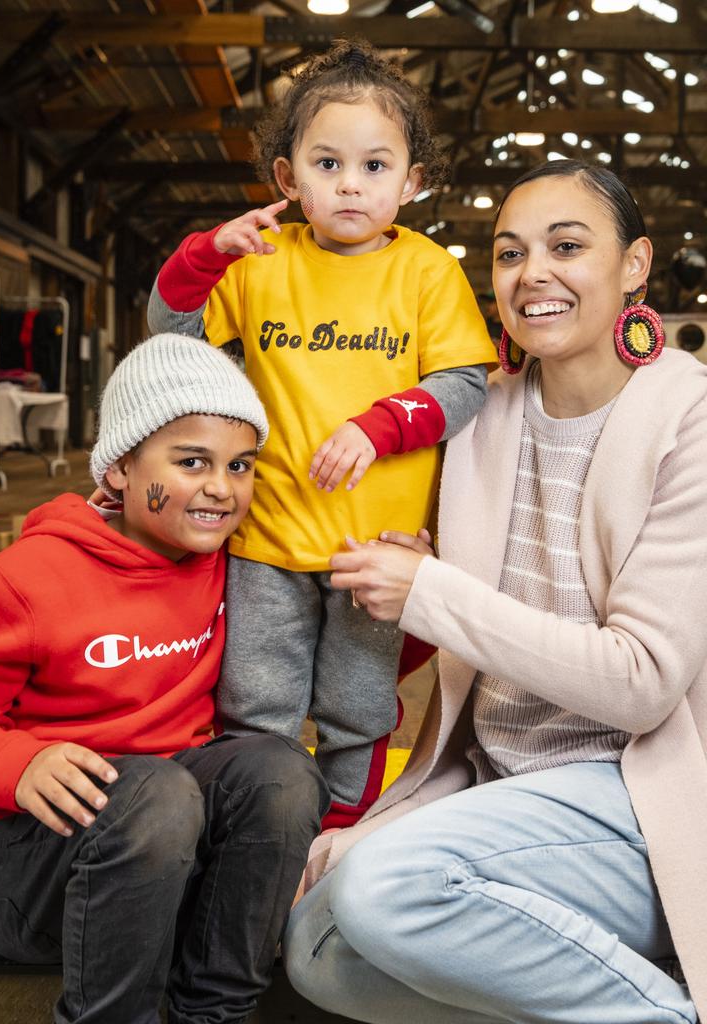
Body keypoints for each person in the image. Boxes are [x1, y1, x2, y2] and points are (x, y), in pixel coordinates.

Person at [282, 159, 707, 1024]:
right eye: (510, 253)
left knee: (384, 890)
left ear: (635, 265)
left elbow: (643, 681)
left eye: (567, 246)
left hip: (638, 800)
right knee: (316, 951)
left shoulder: (687, 417)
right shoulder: (484, 417)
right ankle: (578, 979)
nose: (532, 274)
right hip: (498, 792)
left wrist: (430, 590)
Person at [147, 40, 497, 827]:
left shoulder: (428, 272)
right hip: (266, 536)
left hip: (376, 552)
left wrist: (380, 427)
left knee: (359, 705)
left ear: (412, 182)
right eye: (327, 163)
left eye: (376, 167)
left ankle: (339, 839)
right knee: (256, 702)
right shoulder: (259, 260)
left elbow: (465, 384)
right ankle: (253, 836)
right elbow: (172, 329)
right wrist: (204, 256)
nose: (350, 183)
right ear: (288, 178)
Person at [0, 333, 329, 1024]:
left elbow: (332, 658)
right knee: (156, 793)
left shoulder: (226, 560)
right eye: (191, 462)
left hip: (159, 848)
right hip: (22, 871)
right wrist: (14, 760)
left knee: (280, 771)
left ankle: (214, 1010)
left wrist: (390, 605)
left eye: (240, 465)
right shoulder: (29, 580)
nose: (221, 487)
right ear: (119, 467)